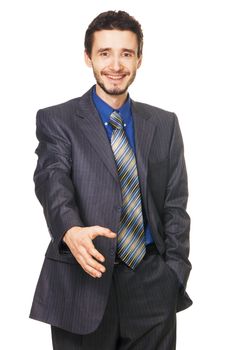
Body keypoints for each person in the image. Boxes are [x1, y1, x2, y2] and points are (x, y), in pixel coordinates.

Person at [30, 10, 192, 350]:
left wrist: (174, 272)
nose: (115, 65)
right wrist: (69, 229)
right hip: (82, 280)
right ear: (88, 57)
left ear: (139, 59)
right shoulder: (58, 120)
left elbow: (175, 206)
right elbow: (51, 179)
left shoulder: (164, 125)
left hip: (151, 284)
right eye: (105, 53)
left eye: (126, 53)